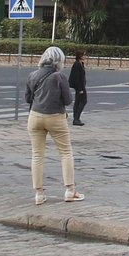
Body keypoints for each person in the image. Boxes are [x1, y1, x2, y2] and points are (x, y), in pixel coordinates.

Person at [25, 46, 82, 205]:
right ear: (59, 61)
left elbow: (28, 98)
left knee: (37, 154)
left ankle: (38, 193)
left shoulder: (32, 75)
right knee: (65, 152)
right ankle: (70, 189)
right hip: (55, 117)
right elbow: (68, 100)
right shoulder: (59, 77)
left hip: (35, 116)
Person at [69, 50, 88, 126]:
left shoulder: (81, 63)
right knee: (83, 101)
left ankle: (76, 118)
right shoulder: (77, 64)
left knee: (78, 101)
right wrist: (80, 89)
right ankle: (76, 118)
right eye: (84, 55)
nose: (85, 56)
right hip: (79, 86)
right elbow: (76, 77)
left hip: (81, 85)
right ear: (80, 56)